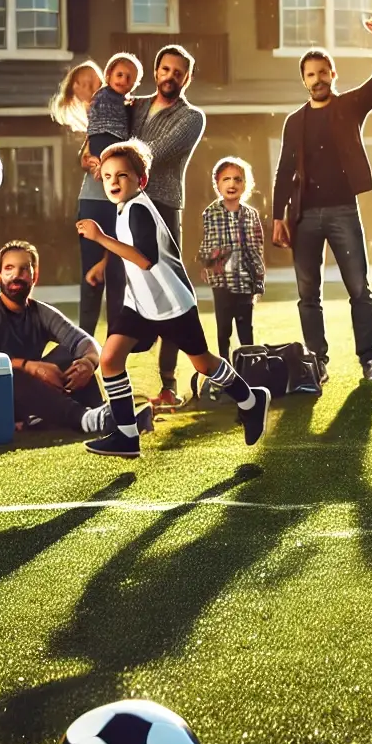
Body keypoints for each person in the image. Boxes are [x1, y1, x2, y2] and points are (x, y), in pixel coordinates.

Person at [74, 139, 269, 459]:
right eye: (107, 176)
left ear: (141, 179)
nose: (113, 182)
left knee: (203, 363)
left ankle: (251, 400)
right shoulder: (124, 208)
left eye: (122, 175)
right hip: (141, 304)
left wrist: (100, 238)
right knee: (109, 360)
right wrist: (103, 261)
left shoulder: (139, 210)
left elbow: (145, 260)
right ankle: (126, 435)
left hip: (171, 304)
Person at [269, 18, 372, 386]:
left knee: (359, 289)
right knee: (308, 295)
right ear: (304, 80)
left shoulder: (350, 106)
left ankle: (369, 360)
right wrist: (278, 217)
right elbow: (283, 170)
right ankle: (317, 362)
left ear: (332, 74)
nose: (318, 79)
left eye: (323, 72)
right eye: (311, 74)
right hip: (303, 216)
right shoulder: (294, 122)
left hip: (344, 211)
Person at [104, 46, 208, 408]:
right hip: (126, 204)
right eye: (165, 69)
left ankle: (168, 384)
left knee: (167, 290)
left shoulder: (191, 117)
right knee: (125, 286)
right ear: (156, 70)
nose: (170, 76)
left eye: (178, 72)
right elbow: (107, 127)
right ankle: (112, 375)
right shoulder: (135, 105)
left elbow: (153, 152)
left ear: (187, 78)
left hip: (162, 206)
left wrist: (112, 157)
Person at [0, 240, 152, 436]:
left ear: (35, 276)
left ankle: (107, 415)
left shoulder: (40, 311)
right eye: (9, 269)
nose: (16, 275)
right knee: (13, 375)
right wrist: (30, 366)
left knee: (74, 356)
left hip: (33, 396)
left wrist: (87, 363)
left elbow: (86, 342)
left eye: (24, 269)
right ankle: (87, 419)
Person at [47, 60, 114, 336]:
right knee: (91, 276)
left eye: (94, 82)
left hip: (118, 203)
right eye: (82, 84)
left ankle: (116, 342)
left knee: (116, 271)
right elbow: (87, 157)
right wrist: (86, 160)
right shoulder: (89, 125)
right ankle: (85, 341)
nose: (89, 88)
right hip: (91, 203)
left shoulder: (118, 112)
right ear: (75, 89)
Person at [199, 157, 266, 365]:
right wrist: (208, 262)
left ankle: (250, 366)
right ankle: (225, 366)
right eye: (226, 179)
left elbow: (257, 249)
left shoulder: (251, 215)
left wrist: (258, 280)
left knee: (245, 327)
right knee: (224, 328)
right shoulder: (211, 213)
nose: (232, 184)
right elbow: (207, 244)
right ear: (217, 184)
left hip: (245, 280)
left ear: (245, 184)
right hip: (222, 282)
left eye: (237, 179)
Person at [86, 52, 141, 156]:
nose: (123, 80)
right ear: (109, 75)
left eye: (129, 78)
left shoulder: (119, 98)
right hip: (104, 137)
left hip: (110, 139)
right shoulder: (104, 94)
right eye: (119, 75)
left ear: (134, 84)